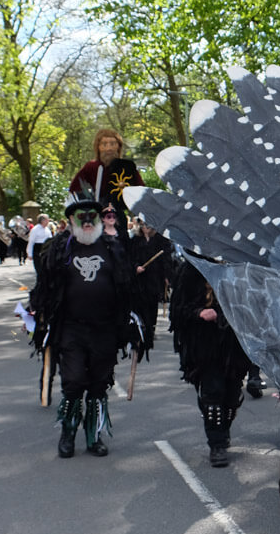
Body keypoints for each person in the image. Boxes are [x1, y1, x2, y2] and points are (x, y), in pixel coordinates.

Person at [29, 193, 141, 458]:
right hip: (71, 328)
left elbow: (127, 288)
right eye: (82, 216)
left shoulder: (113, 248)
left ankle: (94, 437)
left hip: (105, 329)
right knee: (74, 381)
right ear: (71, 220)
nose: (88, 221)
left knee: (99, 383)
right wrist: (35, 308)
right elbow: (44, 284)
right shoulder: (59, 249)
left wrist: (135, 320)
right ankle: (67, 434)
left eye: (93, 216)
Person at [169, 261, 251, 467]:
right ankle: (217, 444)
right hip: (204, 345)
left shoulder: (237, 267)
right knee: (213, 393)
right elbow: (177, 311)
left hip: (234, 344)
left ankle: (223, 430)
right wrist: (199, 313)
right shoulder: (190, 270)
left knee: (232, 397)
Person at [70, 128, 145, 236]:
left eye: (112, 143)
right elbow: (74, 190)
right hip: (97, 216)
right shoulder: (91, 167)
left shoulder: (127, 168)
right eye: (104, 144)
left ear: (118, 146)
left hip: (118, 216)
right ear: (98, 147)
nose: (109, 148)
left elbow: (140, 189)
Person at [129, 218, 173, 353]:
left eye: (147, 225)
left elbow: (166, 259)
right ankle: (144, 327)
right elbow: (131, 257)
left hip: (155, 277)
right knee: (142, 303)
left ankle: (151, 328)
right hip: (141, 278)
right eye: (143, 225)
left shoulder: (160, 240)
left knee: (152, 303)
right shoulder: (136, 241)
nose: (145, 228)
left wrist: (167, 276)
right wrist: (136, 267)